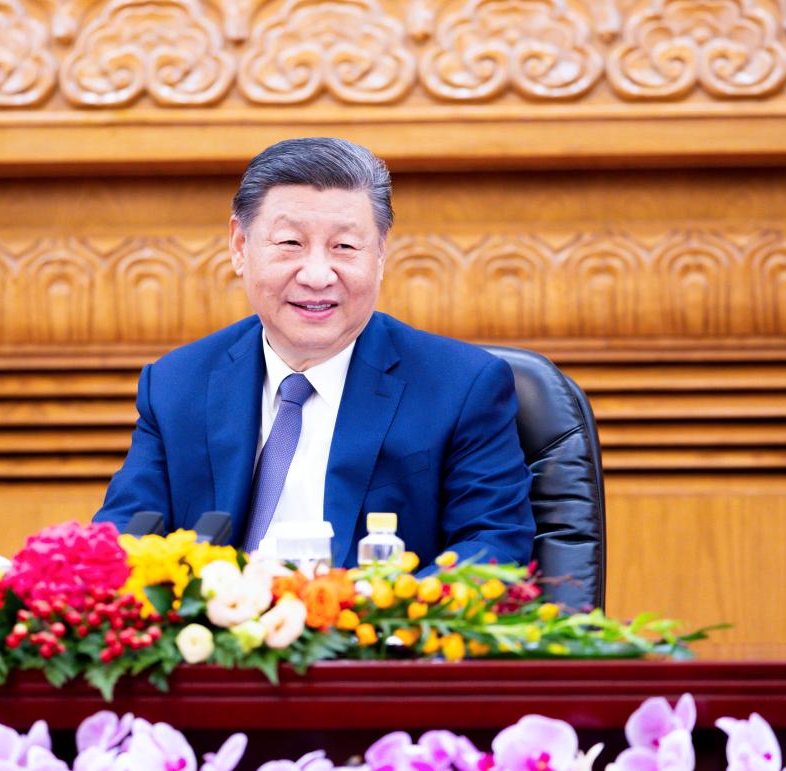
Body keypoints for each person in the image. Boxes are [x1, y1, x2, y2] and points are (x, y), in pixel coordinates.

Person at [94, 137, 535, 570]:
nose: (319, 274)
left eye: (345, 247)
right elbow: (123, 540)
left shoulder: (462, 386)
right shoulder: (177, 384)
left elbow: (492, 546)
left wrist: (377, 611)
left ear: (380, 254)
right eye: (290, 244)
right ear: (240, 247)